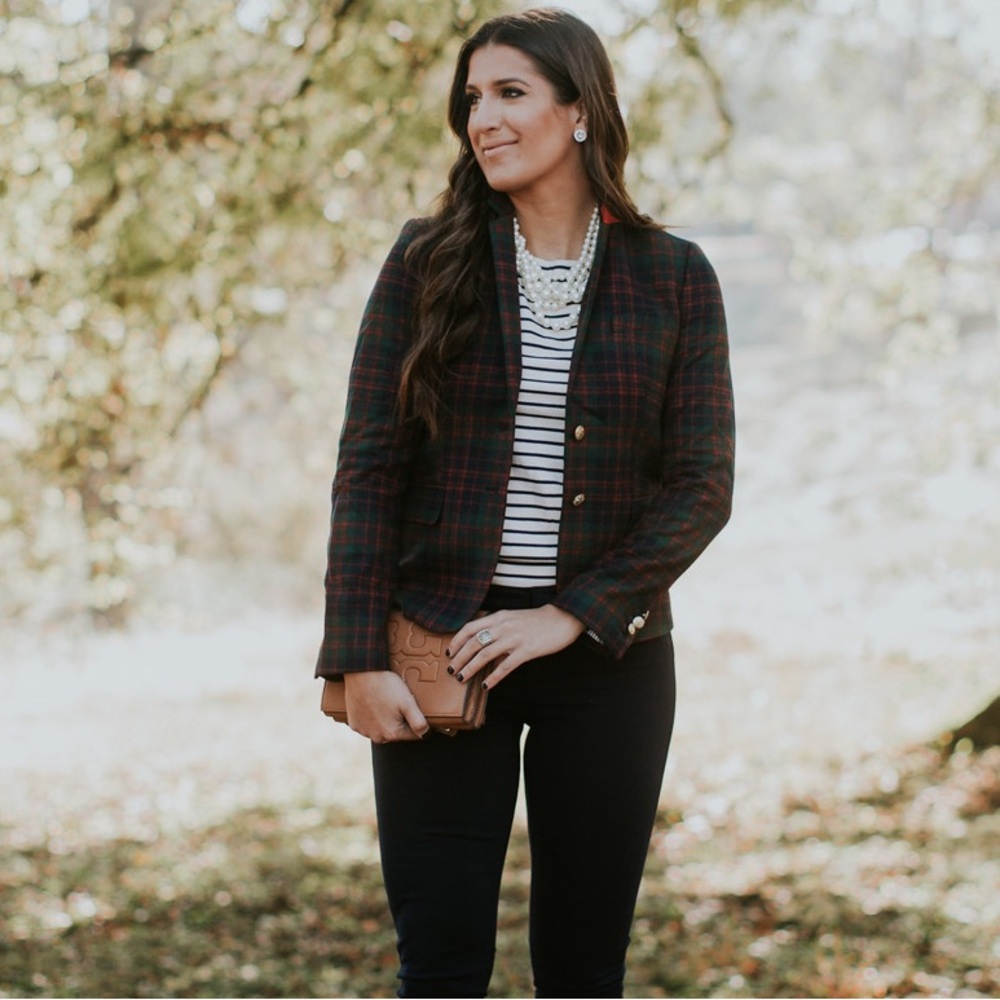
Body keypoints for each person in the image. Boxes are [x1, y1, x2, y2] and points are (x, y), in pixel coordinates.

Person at [315, 8, 734, 997]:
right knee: (441, 966)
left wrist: (566, 614)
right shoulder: (425, 263)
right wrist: (358, 656)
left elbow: (700, 485)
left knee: (584, 969)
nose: (483, 119)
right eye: (472, 99)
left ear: (579, 111)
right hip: (437, 644)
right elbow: (367, 466)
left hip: (609, 657)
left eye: (511, 93)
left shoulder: (672, 277)